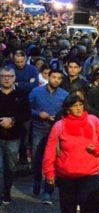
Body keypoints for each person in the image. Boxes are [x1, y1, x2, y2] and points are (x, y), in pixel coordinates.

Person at [43, 94, 99, 213]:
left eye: (81, 105)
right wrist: (49, 173)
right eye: (75, 106)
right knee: (68, 209)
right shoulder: (59, 126)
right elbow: (49, 151)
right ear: (68, 109)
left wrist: (97, 149)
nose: (79, 108)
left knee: (89, 207)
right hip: (66, 175)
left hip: (89, 174)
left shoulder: (93, 120)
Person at [29, 68, 68, 203]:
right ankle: (37, 180)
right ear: (48, 77)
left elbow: (68, 112)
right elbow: (27, 108)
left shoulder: (65, 95)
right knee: (37, 157)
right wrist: (39, 114)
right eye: (53, 77)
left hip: (56, 131)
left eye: (59, 78)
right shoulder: (36, 92)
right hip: (39, 129)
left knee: (53, 160)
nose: (56, 80)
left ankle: (48, 191)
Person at [0, 66, 30, 204]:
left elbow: (26, 113)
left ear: (14, 78)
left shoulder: (21, 93)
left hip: (14, 136)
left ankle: (7, 190)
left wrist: (12, 120)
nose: (6, 79)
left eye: (9, 76)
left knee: (10, 167)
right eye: (4, 76)